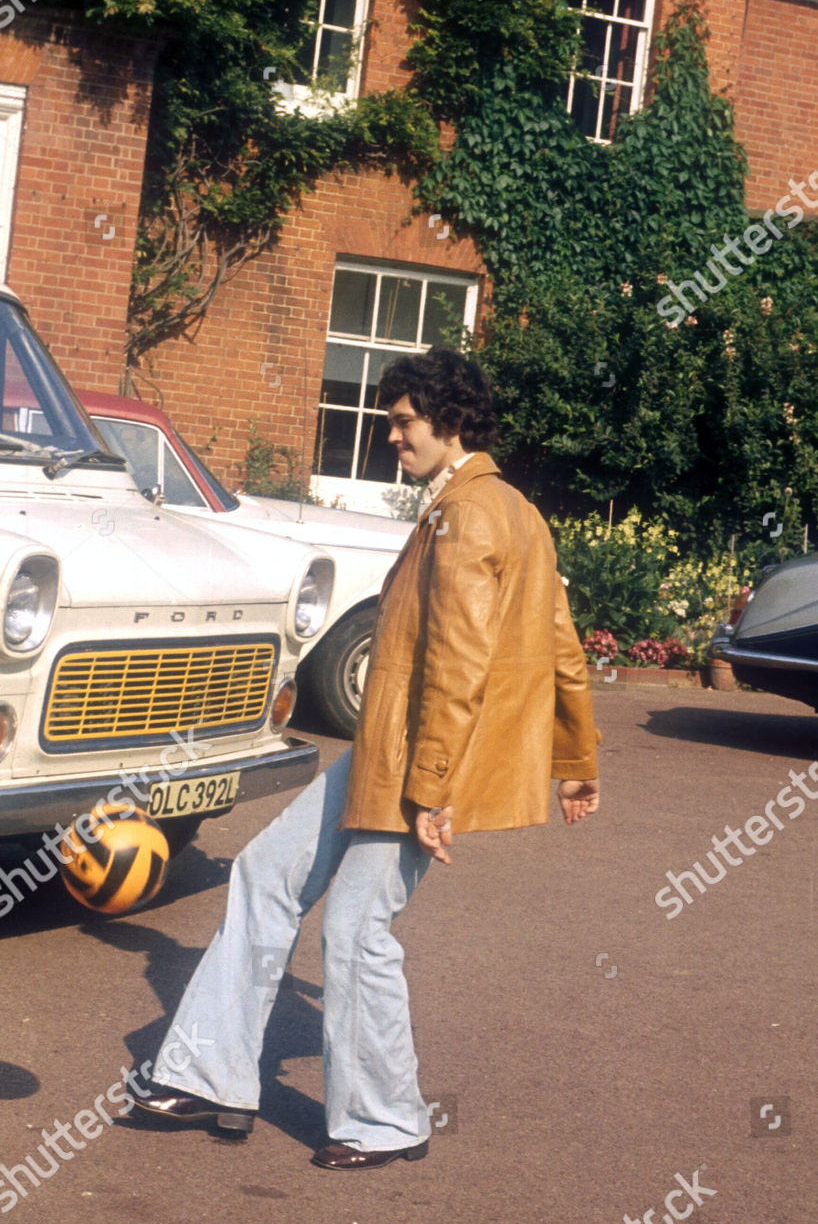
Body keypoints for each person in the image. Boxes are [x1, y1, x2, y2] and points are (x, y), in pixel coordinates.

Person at [131, 346, 600, 1169]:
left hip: (419, 763)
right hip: (389, 755)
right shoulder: (507, 509)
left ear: (450, 420)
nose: (393, 436)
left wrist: (431, 791)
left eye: (404, 422)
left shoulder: (471, 516)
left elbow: (457, 664)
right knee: (267, 874)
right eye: (393, 422)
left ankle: (386, 1120)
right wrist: (578, 756)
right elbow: (561, 643)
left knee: (355, 925)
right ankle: (213, 1075)